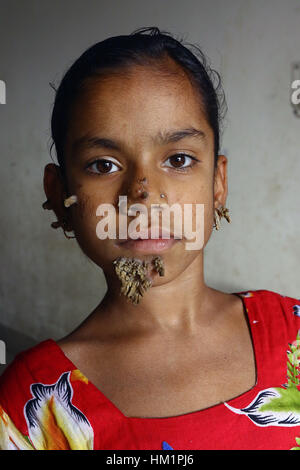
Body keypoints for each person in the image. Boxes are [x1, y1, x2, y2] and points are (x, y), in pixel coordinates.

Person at [0, 26, 300, 451]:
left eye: (178, 159)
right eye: (103, 165)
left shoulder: (293, 337)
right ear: (58, 195)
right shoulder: (30, 404)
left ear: (218, 183)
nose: (141, 194)